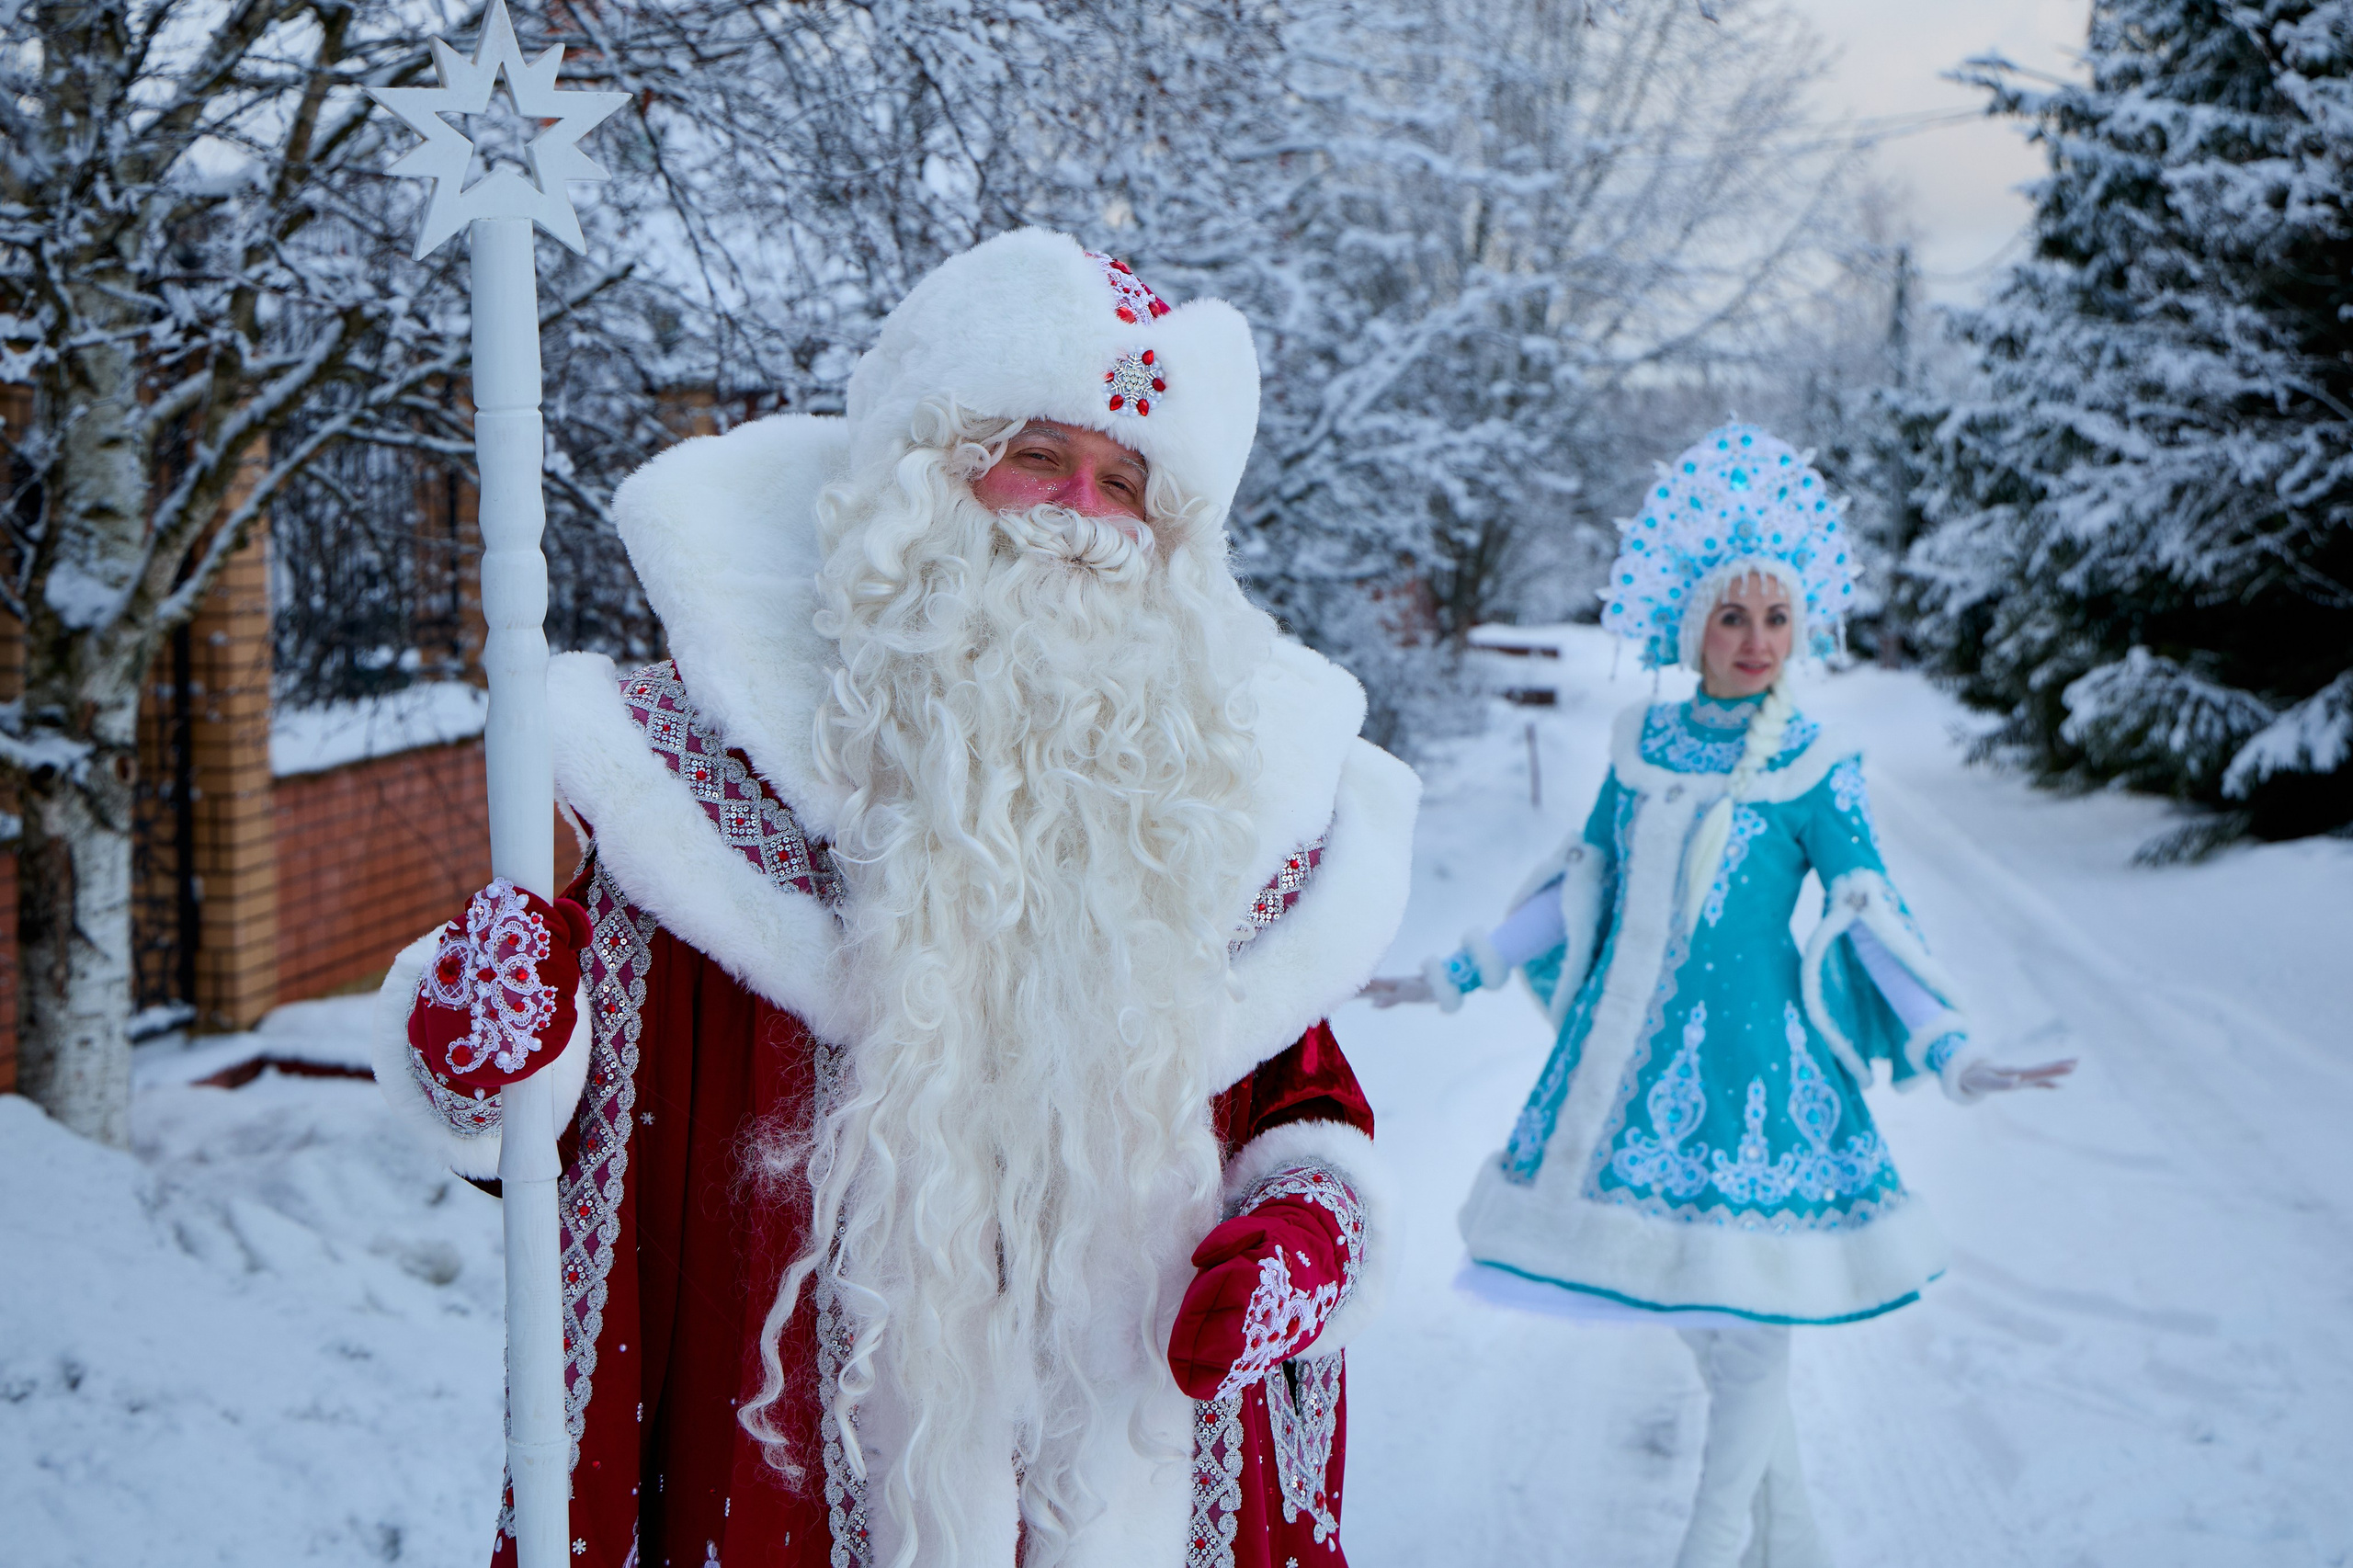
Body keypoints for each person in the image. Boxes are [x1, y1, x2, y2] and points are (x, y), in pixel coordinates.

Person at [372, 230, 1419, 1568]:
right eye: (1037, 455)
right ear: (929, 473)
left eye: (1124, 483)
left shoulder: (1226, 810)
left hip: (1123, 1474)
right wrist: (489, 1047)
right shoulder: (710, 776)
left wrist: (1309, 1235)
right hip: (787, 1478)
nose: (1078, 516)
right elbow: (581, 1105)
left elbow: (1301, 1099)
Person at [1364, 424, 2072, 1567]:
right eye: (1732, 616)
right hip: (1625, 1076)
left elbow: (1865, 906)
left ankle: (1707, 1550)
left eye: (1777, 617)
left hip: (1758, 1082)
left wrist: (1947, 1044)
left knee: (1750, 1336)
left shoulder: (1813, 757)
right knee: (1714, 1330)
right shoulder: (1639, 741)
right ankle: (1790, 1547)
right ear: (1690, 623)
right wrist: (1455, 970)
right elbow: (1577, 876)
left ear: (1804, 626)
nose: (1756, 641)